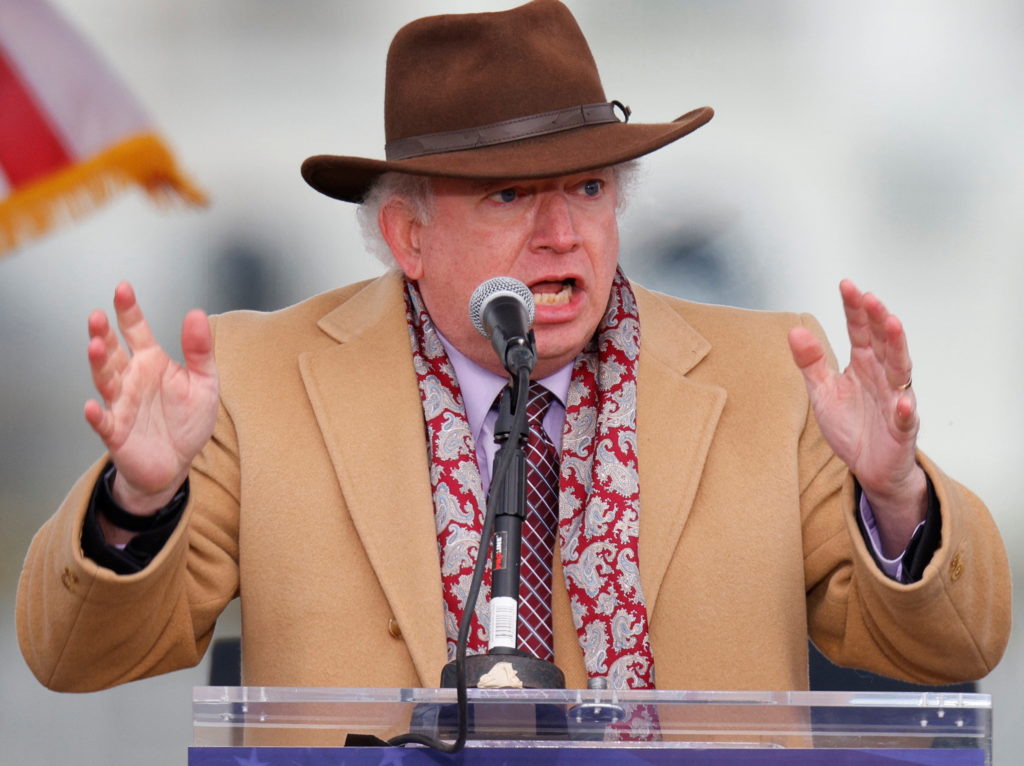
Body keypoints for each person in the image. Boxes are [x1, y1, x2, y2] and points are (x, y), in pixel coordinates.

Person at [17, 0, 1010, 696]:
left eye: (586, 190)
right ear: (407, 237)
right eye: (507, 197)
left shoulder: (767, 376)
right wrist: (137, 500)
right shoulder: (259, 384)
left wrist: (897, 499)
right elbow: (72, 657)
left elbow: (956, 643)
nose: (561, 233)